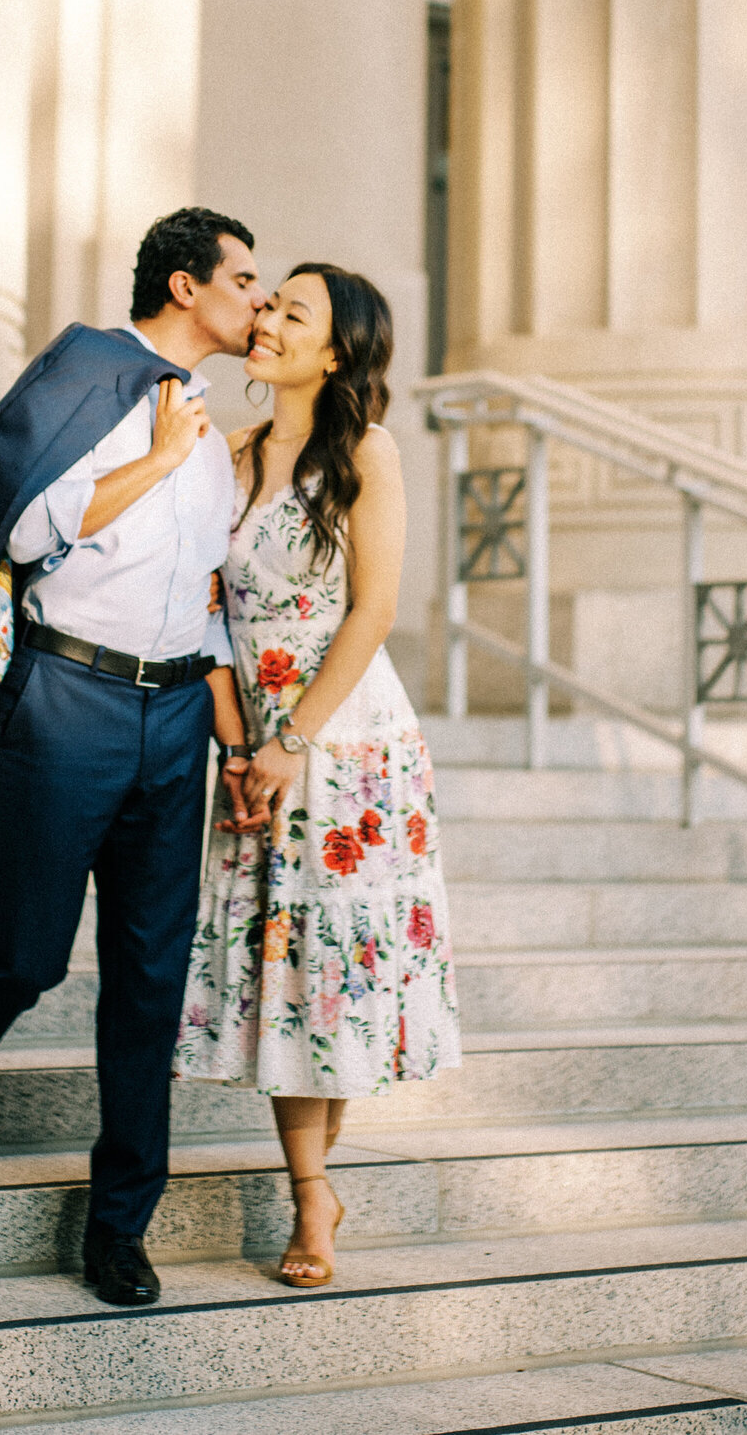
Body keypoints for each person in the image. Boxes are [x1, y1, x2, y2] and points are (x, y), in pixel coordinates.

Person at [0, 208, 265, 1310]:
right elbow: (31, 529)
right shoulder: (90, 372)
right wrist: (162, 459)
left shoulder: (214, 432)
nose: (256, 299)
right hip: (70, 699)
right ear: (184, 287)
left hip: (177, 715)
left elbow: (207, 598)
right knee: (28, 953)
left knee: (150, 981)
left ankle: (120, 1224)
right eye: (241, 278)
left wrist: (235, 743)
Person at [173, 264, 462, 1288]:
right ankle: (315, 1189)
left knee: (323, 972)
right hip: (255, 741)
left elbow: (372, 610)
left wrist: (293, 738)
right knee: (291, 972)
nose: (269, 319)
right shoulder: (224, 451)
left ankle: (310, 1201)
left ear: (334, 351)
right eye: (271, 301)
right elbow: (202, 612)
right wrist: (237, 741)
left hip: (347, 745)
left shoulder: (367, 453)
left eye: (295, 312)